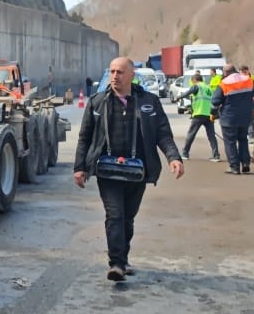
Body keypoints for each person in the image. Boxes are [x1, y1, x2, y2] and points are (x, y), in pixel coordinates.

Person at [73, 57, 184, 282]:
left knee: (127, 218)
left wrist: (173, 157)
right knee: (115, 215)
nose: (115, 76)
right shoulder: (97, 102)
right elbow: (85, 137)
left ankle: (122, 258)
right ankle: (116, 263)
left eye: (120, 72)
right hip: (107, 171)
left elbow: (163, 133)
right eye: (112, 71)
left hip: (137, 171)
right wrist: (80, 167)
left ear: (132, 75)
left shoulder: (149, 102)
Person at [211, 63, 254, 174]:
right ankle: (245, 163)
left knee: (230, 142)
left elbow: (215, 101)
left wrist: (213, 113)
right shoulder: (248, 80)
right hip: (245, 117)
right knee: (243, 139)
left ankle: (234, 167)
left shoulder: (224, 83)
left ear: (225, 73)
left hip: (229, 118)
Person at [176, 72, 220, 162]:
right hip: (209, 114)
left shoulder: (197, 86)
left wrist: (178, 97)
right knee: (211, 136)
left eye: (192, 81)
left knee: (191, 134)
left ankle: (185, 154)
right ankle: (216, 156)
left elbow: (188, 93)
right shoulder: (209, 88)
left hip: (199, 113)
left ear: (195, 80)